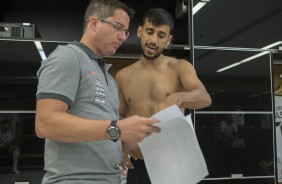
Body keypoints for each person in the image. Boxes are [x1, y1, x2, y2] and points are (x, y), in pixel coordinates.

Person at [35, 1, 160, 184]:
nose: (122, 37)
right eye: (118, 27)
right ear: (94, 23)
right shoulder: (68, 57)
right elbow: (45, 123)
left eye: (125, 31)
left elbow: (106, 136)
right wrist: (118, 129)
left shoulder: (109, 79)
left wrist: (141, 135)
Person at [115, 8, 212, 184]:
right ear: (140, 32)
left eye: (161, 35)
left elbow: (205, 97)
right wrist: (119, 144)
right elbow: (120, 115)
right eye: (150, 32)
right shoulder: (123, 75)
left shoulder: (180, 67)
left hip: (173, 163)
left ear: (168, 40)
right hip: (139, 163)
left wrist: (178, 98)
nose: (153, 40)